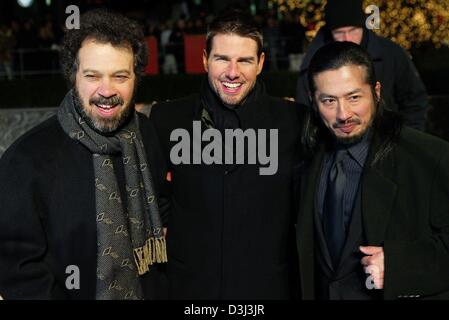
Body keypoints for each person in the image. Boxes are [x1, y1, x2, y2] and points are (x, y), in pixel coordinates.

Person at [0, 10, 168, 300]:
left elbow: (163, 207)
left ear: (135, 78)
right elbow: (15, 266)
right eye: (92, 76)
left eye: (120, 76)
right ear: (73, 76)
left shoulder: (148, 136)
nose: (107, 90)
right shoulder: (27, 158)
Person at [150, 9, 301, 299]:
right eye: (222, 59)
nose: (233, 72)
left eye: (244, 60)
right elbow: (154, 194)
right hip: (189, 289)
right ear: (205, 59)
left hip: (269, 289)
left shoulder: (294, 121)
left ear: (260, 63)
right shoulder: (167, 119)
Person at [296, 41, 449, 300]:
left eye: (354, 97)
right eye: (329, 100)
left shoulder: (430, 157)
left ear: (376, 92)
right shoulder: (304, 161)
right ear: (313, 101)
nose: (343, 114)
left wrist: (401, 266)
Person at [296, 0, 429, 130]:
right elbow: (305, 113)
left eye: (353, 30)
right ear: (330, 33)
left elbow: (415, 101)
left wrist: (403, 142)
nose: (347, 38)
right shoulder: (313, 63)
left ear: (362, 27)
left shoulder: (391, 53)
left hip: (388, 138)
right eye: (339, 33)